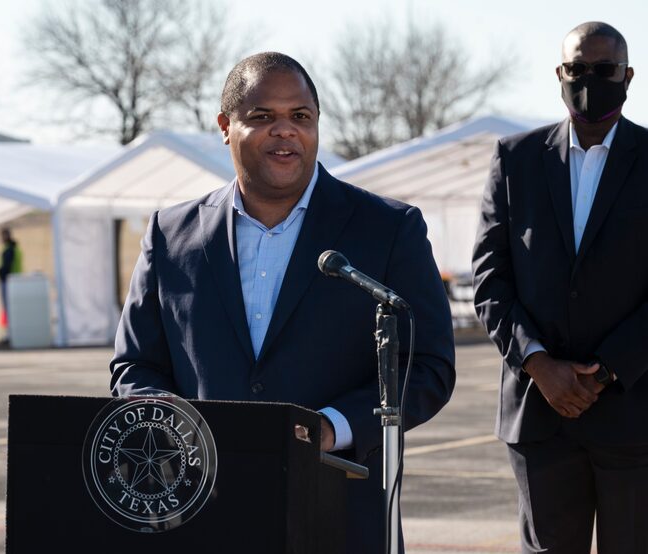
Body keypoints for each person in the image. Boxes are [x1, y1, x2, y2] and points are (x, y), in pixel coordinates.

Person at [111, 52, 456, 552]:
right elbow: (133, 365)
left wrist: (332, 428)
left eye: (300, 117)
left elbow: (427, 366)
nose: (285, 131)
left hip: (340, 513)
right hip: (199, 512)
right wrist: (168, 420)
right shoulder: (171, 234)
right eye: (263, 117)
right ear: (226, 127)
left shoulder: (387, 229)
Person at [472, 22, 648, 554]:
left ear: (628, 76)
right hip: (538, 414)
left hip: (633, 411)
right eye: (578, 69)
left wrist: (607, 369)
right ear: (559, 74)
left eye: (604, 70)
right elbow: (489, 277)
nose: (589, 79)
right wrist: (538, 363)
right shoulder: (515, 159)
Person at [0, 227, 23, 320]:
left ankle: (11, 331)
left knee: (8, 307)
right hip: (16, 281)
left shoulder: (8, 249)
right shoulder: (15, 248)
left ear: (6, 236)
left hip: (8, 281)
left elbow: (6, 267)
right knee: (14, 308)